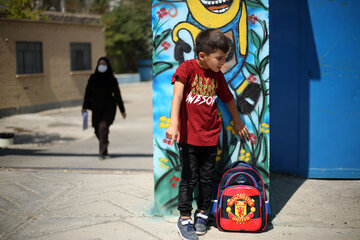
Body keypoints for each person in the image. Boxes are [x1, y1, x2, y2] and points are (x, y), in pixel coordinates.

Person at [165, 29, 249, 240]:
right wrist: (173, 123)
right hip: (188, 137)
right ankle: (184, 218)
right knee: (189, 178)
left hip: (211, 136)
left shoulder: (217, 76)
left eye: (224, 58)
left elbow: (228, 98)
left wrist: (237, 120)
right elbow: (177, 95)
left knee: (206, 178)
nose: (223, 62)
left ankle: (202, 214)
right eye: (219, 58)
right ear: (202, 55)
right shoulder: (187, 68)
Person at [82, 57, 126, 159]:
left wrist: (122, 110)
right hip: (96, 108)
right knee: (96, 129)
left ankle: (102, 153)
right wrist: (84, 107)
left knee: (102, 127)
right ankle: (105, 142)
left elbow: (117, 95)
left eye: (104, 64)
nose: (101, 66)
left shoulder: (112, 79)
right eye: (100, 64)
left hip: (109, 108)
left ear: (108, 66)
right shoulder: (93, 78)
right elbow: (87, 93)